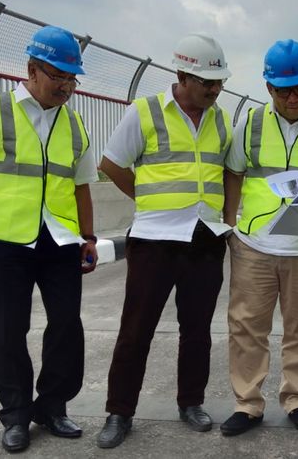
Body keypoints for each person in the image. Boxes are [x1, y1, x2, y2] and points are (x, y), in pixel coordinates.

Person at [0, 25, 98, 453]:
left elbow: (82, 184)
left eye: (72, 79)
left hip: (61, 241)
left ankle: (52, 407)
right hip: (5, 241)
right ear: (31, 70)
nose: (66, 87)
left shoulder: (73, 122)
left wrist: (87, 236)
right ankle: (16, 415)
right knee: (7, 330)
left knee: (67, 326)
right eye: (58, 76)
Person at [96, 34, 232, 448]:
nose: (214, 90)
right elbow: (112, 164)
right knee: (136, 329)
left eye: (218, 82)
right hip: (154, 240)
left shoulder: (221, 119)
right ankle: (119, 412)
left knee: (198, 329)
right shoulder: (145, 112)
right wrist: (150, 200)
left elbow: (228, 172)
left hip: (205, 238)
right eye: (206, 82)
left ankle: (191, 402)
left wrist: (227, 222)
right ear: (181, 75)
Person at [220, 39, 298, 436]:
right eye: (285, 89)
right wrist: (231, 227)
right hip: (254, 245)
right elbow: (234, 172)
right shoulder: (250, 125)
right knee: (246, 326)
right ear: (268, 88)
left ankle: (296, 398)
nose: (294, 96)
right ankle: (247, 403)